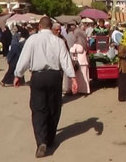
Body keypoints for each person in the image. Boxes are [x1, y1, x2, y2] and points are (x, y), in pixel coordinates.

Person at [13, 17, 78, 158]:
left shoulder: (32, 40)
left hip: (38, 77)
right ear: (51, 27)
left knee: (38, 109)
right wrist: (73, 78)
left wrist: (18, 75)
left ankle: (41, 141)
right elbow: (65, 61)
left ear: (39, 26)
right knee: (54, 107)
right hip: (54, 77)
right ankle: (50, 137)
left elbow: (24, 59)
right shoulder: (59, 41)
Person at [69, 28, 90, 94]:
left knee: (83, 77)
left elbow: (79, 50)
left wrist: (72, 49)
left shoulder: (78, 43)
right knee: (85, 76)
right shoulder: (84, 42)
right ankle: (85, 90)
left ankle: (84, 90)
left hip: (80, 62)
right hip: (83, 61)